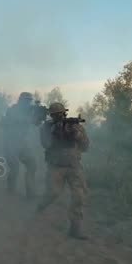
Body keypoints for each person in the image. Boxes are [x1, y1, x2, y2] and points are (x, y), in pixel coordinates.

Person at [36, 102, 89, 240]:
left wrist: (75, 134)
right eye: (56, 115)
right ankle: (40, 206)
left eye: (61, 114)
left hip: (73, 165)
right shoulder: (46, 128)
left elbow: (85, 147)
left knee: (79, 196)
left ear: (65, 113)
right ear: (51, 116)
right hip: (56, 166)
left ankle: (75, 228)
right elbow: (45, 144)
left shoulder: (75, 126)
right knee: (53, 193)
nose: (60, 116)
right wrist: (56, 132)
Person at [0, 92, 41, 200]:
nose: (28, 103)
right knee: (14, 167)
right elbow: (3, 123)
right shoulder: (12, 110)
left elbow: (36, 123)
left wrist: (38, 116)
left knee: (32, 164)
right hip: (10, 142)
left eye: (29, 101)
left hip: (22, 143)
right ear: (21, 101)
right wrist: (24, 119)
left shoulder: (30, 111)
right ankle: (10, 188)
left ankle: (30, 192)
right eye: (26, 101)